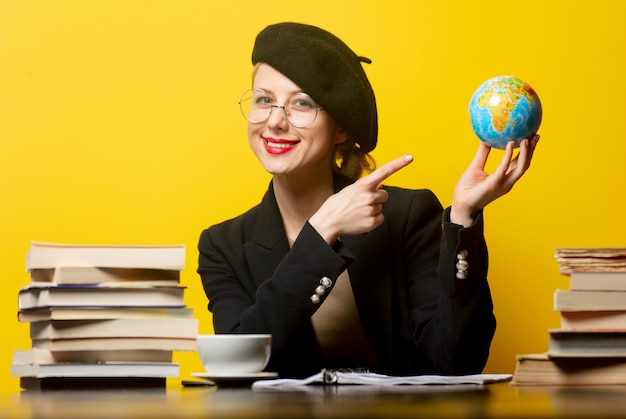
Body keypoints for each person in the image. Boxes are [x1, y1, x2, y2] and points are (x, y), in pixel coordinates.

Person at [197, 22, 539, 378]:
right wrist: (321, 233)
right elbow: (238, 365)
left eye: (301, 103)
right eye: (264, 99)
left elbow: (456, 362)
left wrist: (464, 219)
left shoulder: (408, 217)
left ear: (340, 129)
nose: (275, 121)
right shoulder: (222, 246)